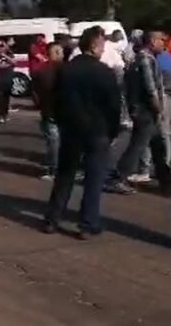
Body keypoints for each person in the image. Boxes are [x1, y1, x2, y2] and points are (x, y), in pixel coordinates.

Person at [43, 27, 121, 239]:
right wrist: (113, 131)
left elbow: (55, 100)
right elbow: (114, 106)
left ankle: (52, 218)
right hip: (97, 130)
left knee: (65, 175)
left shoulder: (66, 70)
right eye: (103, 45)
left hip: (71, 129)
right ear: (95, 45)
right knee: (94, 179)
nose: (103, 49)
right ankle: (88, 223)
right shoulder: (104, 72)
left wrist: (60, 122)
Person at [106, 31, 171, 195]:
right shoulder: (145, 59)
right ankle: (119, 177)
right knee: (138, 145)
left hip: (144, 110)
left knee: (157, 145)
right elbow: (150, 87)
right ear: (152, 41)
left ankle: (167, 180)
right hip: (145, 111)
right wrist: (158, 108)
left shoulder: (145, 57)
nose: (164, 43)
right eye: (162, 40)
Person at [31, 42, 64, 180]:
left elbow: (34, 93)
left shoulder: (40, 71)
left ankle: (53, 169)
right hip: (65, 111)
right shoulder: (68, 69)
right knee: (61, 142)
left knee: (52, 142)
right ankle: (59, 169)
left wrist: (40, 104)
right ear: (56, 53)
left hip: (48, 111)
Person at [0, 39, 16, 124]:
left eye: (2, 47)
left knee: (6, 98)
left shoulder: (9, 54)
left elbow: (14, 62)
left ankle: (5, 114)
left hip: (8, 79)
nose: (0, 49)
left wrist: (5, 56)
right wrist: (7, 65)